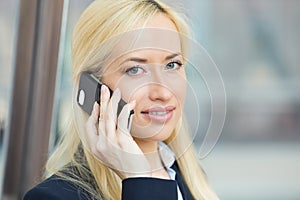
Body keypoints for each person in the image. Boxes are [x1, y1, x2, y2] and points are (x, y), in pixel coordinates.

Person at [24, 0, 219, 199]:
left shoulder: (188, 178)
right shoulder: (53, 197)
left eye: (172, 65)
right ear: (93, 86)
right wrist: (140, 179)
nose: (163, 92)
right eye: (135, 70)